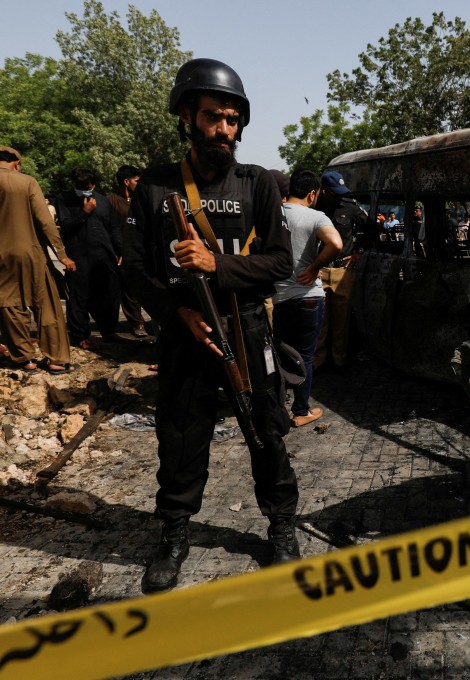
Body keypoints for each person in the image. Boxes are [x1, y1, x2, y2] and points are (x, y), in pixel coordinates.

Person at [123, 58, 301, 593]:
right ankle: (175, 534)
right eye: (211, 117)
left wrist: (216, 266)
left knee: (266, 430)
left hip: (246, 330)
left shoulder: (258, 184)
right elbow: (133, 270)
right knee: (180, 438)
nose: (223, 129)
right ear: (186, 117)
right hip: (186, 333)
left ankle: (282, 526)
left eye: (231, 119)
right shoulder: (154, 187)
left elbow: (279, 263)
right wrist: (178, 310)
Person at [273, 170, 342, 426]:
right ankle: (301, 411)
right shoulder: (315, 216)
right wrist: (313, 267)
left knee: (280, 354)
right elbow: (336, 244)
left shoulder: (273, 213)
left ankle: (277, 407)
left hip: (280, 298)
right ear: (313, 194)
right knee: (305, 356)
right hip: (309, 298)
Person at [0, 146, 77, 373]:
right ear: (16, 163)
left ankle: (25, 359)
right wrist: (61, 254)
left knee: (9, 304)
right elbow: (45, 221)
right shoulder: (26, 182)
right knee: (46, 304)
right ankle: (55, 359)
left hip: (2, 257)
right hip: (30, 252)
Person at [54, 166, 123, 349]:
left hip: (104, 254)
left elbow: (113, 227)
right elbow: (66, 226)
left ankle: (108, 330)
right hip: (78, 255)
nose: (88, 189)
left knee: (110, 292)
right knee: (79, 297)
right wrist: (84, 212)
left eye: (91, 185)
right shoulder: (64, 199)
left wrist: (121, 250)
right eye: (84, 186)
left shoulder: (102, 200)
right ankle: (80, 336)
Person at [314, 170, 369, 371]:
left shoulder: (350, 207)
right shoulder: (313, 208)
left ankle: (339, 360)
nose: (339, 196)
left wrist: (359, 251)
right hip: (317, 271)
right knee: (319, 321)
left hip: (341, 272)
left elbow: (372, 228)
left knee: (341, 322)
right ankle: (318, 361)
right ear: (324, 191)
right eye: (335, 192)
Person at [108, 164, 149, 338]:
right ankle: (136, 323)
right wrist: (119, 251)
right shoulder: (111, 201)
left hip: (143, 250)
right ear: (126, 182)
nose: (139, 184)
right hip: (121, 253)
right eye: (136, 181)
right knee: (127, 290)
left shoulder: (143, 199)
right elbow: (110, 228)